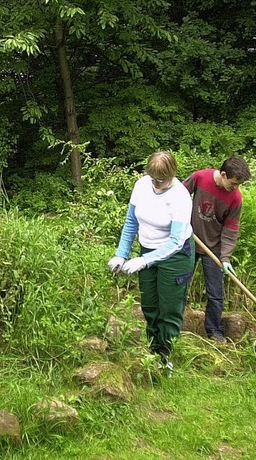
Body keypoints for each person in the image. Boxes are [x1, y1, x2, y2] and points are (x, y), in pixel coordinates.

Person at [108, 151, 195, 369]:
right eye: (154, 179)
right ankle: (153, 352)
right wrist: (122, 253)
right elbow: (130, 223)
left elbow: (175, 241)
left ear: (172, 174)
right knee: (149, 305)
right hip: (147, 250)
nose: (157, 184)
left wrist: (145, 261)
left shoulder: (180, 197)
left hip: (175, 256)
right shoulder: (141, 186)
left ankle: (165, 358)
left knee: (169, 307)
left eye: (162, 180)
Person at [183, 157, 251, 342]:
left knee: (215, 294)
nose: (236, 188)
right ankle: (175, 323)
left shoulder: (235, 198)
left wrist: (226, 258)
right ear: (223, 175)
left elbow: (231, 230)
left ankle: (214, 331)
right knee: (180, 284)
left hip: (214, 248)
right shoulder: (200, 177)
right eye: (234, 183)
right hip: (188, 240)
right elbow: (179, 195)